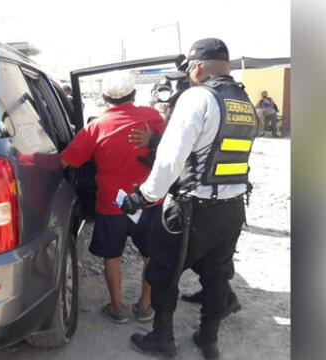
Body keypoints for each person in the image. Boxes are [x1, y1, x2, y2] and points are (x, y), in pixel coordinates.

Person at [121, 38, 259, 359]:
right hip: (233, 208)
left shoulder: (198, 96)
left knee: (162, 274)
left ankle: (163, 340)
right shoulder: (243, 100)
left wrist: (144, 196)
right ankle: (208, 341)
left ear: (197, 68)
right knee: (216, 275)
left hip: (193, 210)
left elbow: (171, 158)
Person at [61, 70, 166, 324]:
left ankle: (117, 308)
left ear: (104, 97)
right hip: (148, 201)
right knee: (149, 255)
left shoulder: (96, 127)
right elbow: (171, 147)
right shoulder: (152, 117)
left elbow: (66, 160)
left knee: (112, 256)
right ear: (134, 94)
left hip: (112, 204)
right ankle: (144, 306)